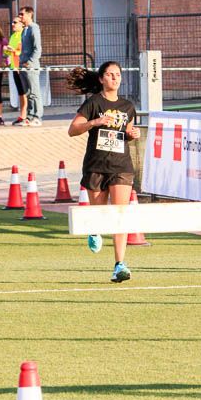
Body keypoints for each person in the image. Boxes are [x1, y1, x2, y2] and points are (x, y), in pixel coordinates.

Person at [67, 61, 140, 283]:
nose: (114, 78)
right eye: (110, 75)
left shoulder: (127, 106)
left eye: (117, 74)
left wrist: (131, 134)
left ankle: (119, 265)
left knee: (120, 215)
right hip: (96, 166)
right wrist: (96, 121)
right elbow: (73, 130)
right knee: (99, 216)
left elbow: (126, 131)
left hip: (121, 166)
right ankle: (95, 229)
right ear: (101, 79)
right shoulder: (93, 103)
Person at [19, 4, 43, 126]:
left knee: (34, 92)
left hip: (31, 66)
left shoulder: (34, 28)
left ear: (29, 14)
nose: (20, 16)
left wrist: (30, 61)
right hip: (23, 65)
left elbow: (37, 48)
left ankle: (37, 116)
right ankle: (29, 116)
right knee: (27, 93)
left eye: (22, 14)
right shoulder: (25, 29)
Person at [5, 13, 29, 125]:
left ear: (21, 24)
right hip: (13, 67)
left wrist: (13, 50)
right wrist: (7, 49)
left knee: (24, 92)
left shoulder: (22, 35)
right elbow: (8, 52)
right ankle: (22, 115)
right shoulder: (13, 36)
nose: (12, 24)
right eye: (12, 22)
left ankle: (25, 115)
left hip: (21, 67)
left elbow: (21, 51)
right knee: (20, 92)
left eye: (15, 22)